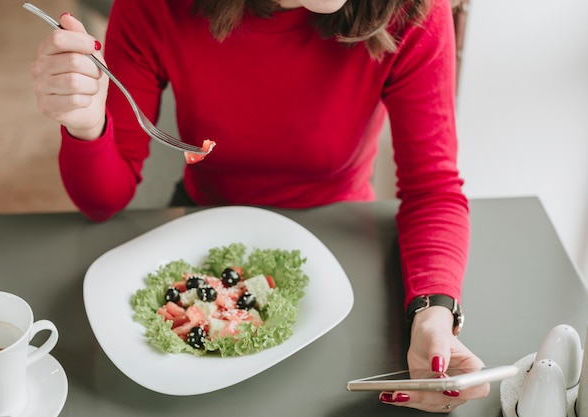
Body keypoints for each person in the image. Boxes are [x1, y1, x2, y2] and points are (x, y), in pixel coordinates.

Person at [30, 0, 487, 412]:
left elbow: (432, 188)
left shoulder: (414, 10)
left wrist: (432, 315)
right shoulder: (154, 6)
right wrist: (87, 124)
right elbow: (102, 202)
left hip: (346, 238)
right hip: (200, 228)